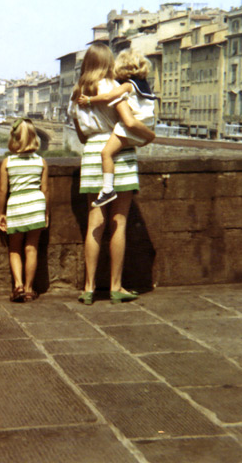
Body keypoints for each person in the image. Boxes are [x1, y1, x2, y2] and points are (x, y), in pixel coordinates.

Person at [67, 42, 155, 305]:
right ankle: (116, 287)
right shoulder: (112, 87)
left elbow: (82, 136)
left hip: (93, 153)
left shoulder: (75, 95)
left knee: (95, 224)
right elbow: (129, 120)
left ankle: (89, 287)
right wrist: (150, 136)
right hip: (119, 150)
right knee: (119, 223)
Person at [77, 48, 158, 207]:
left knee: (106, 152)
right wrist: (149, 136)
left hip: (132, 124)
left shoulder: (127, 86)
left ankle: (107, 189)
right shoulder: (144, 85)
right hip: (146, 123)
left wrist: (89, 101)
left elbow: (109, 97)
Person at [0, 118, 49, 303]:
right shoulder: (41, 162)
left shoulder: (8, 162)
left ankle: (17, 285)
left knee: (15, 249)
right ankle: (29, 289)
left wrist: (1, 213)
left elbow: (3, 190)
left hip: (16, 205)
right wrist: (46, 213)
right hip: (36, 205)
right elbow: (45, 190)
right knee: (31, 248)